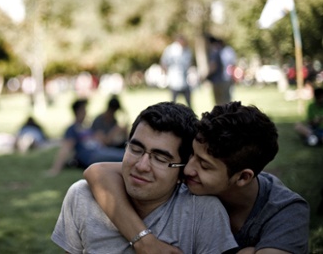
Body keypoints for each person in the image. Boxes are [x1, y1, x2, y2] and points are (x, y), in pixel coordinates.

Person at [84, 101, 309, 253]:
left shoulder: (285, 213)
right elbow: (98, 171)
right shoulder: (186, 178)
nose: (188, 169)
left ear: (242, 178)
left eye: (204, 165)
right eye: (192, 154)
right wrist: (145, 241)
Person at [52, 102, 238, 253]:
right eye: (136, 149)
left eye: (160, 158)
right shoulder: (82, 197)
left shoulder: (204, 213)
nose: (141, 166)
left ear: (182, 171)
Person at [47, 99, 125, 176]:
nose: (86, 112)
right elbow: (65, 148)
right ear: (78, 111)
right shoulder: (72, 129)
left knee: (121, 153)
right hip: (91, 156)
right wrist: (55, 169)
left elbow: (100, 141)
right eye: (84, 110)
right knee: (123, 156)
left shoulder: (86, 128)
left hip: (101, 150)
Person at [160, 35, 193, 108]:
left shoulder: (187, 50)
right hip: (174, 80)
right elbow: (164, 63)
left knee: (189, 103)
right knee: (173, 103)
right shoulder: (170, 50)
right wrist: (164, 76)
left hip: (185, 81)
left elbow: (189, 64)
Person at [207, 36, 233, 105]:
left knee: (219, 103)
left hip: (218, 81)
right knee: (226, 101)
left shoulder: (215, 52)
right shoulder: (226, 51)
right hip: (226, 79)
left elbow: (213, 66)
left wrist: (206, 76)